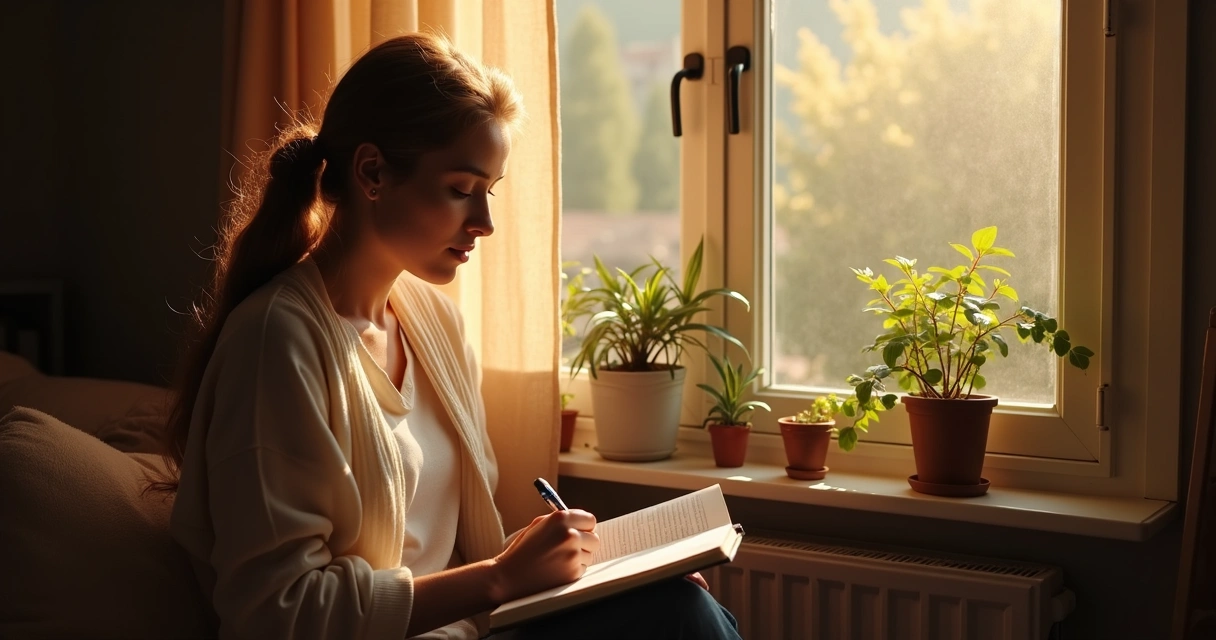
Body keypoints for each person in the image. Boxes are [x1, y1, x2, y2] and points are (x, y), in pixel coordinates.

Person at [160, 32, 741, 639]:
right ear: (372, 172)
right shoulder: (275, 345)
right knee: (688, 623)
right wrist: (498, 578)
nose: (484, 223)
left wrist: (606, 571)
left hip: (473, 629)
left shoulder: (434, 323)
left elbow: (458, 553)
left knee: (680, 606)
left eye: (488, 193)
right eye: (461, 191)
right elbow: (278, 613)